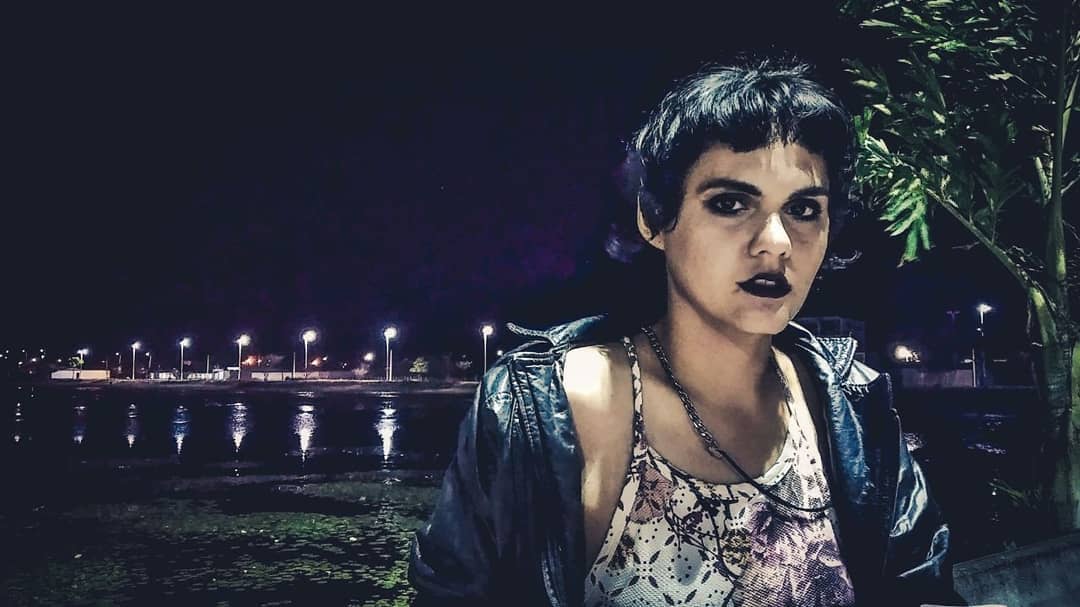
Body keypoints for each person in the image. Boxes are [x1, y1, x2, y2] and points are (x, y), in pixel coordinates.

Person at [408, 59, 959, 606]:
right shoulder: (555, 406)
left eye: (803, 209)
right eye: (730, 203)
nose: (776, 242)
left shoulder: (851, 403)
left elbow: (918, 589)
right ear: (654, 220)